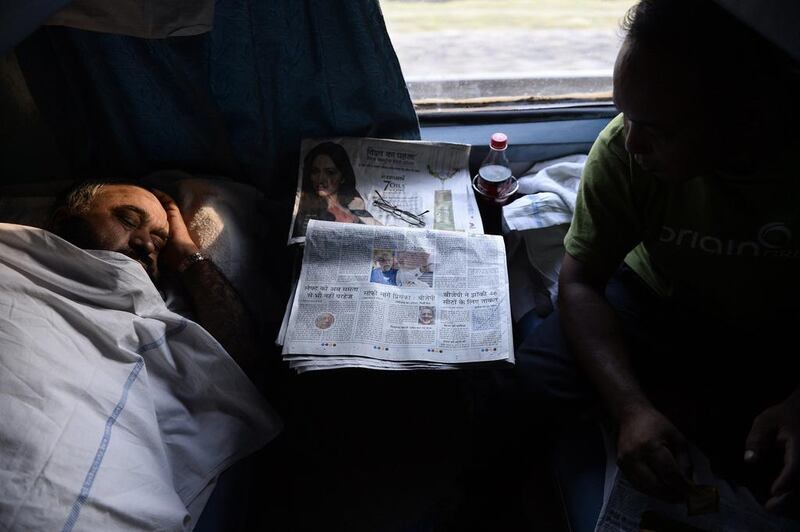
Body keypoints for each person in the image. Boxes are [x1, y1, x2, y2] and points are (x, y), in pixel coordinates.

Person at [518, 0, 800, 519]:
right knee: (527, 380)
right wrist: (630, 407)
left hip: (774, 334)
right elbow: (580, 280)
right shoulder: (624, 155)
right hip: (654, 299)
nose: (631, 142)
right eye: (624, 114)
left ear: (746, 118)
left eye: (658, 129)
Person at [49, 180, 259, 374]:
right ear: (63, 220)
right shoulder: (19, 262)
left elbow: (250, 365)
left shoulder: (171, 310)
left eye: (159, 243)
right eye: (129, 220)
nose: (148, 245)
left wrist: (188, 254)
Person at [292, 141, 380, 237]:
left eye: (330, 172)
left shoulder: (356, 206)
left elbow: (382, 234)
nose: (320, 179)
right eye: (315, 171)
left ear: (342, 177)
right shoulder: (303, 210)